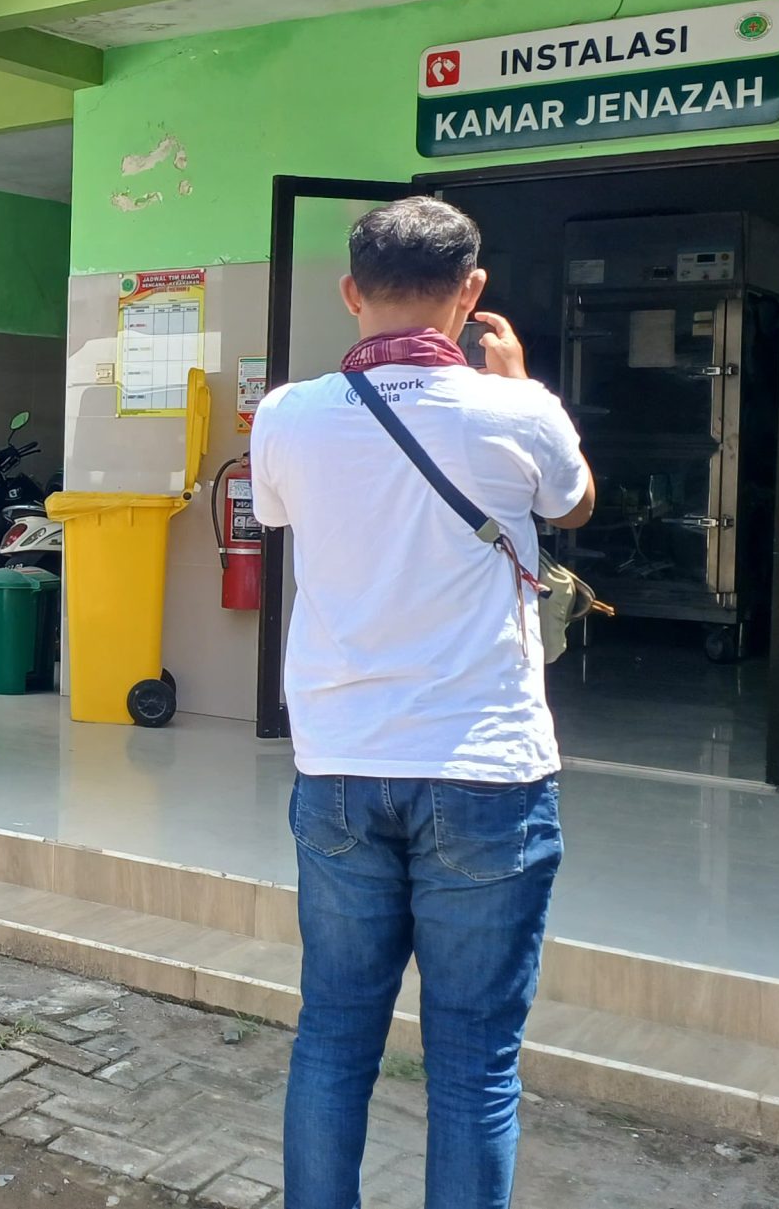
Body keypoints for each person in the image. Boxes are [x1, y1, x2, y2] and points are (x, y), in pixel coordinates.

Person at [249, 197, 595, 1209]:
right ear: (470, 292)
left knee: (332, 1036)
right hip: (486, 773)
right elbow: (571, 503)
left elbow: (282, 511)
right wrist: (520, 386)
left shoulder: (287, 416)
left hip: (342, 765)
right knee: (475, 1061)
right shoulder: (518, 410)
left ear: (350, 290)